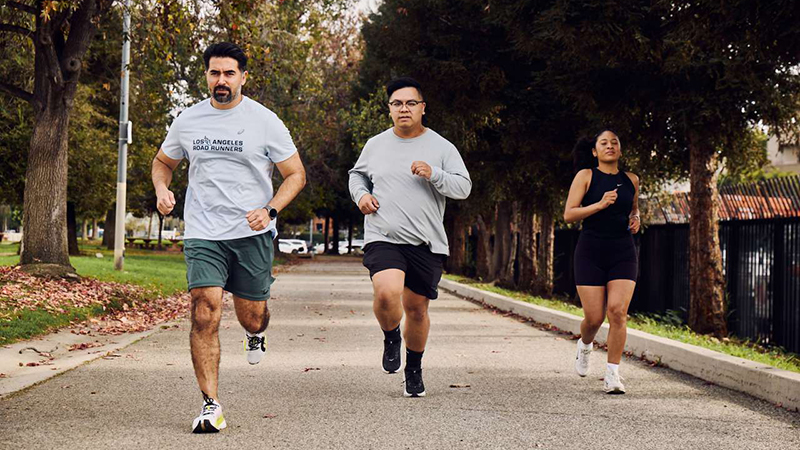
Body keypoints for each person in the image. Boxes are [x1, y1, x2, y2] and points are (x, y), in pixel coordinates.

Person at [151, 42, 306, 432]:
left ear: (243, 77)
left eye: (229, 73)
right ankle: (210, 405)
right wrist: (162, 189)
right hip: (204, 231)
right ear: (206, 75)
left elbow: (295, 175)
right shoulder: (188, 119)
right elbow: (163, 162)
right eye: (214, 73)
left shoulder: (265, 121)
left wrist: (270, 210)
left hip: (251, 233)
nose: (221, 81)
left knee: (252, 317)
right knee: (205, 309)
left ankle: (256, 336)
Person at [348, 77, 472, 397]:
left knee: (417, 310)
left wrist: (435, 174)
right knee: (387, 294)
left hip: (426, 241)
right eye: (397, 104)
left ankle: (413, 369)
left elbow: (463, 187)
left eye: (410, 103)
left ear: (422, 108)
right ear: (389, 109)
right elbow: (357, 176)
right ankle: (391, 336)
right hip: (383, 234)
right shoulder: (376, 144)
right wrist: (361, 195)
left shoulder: (442, 148)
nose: (404, 109)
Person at [563, 129, 640, 394]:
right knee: (594, 318)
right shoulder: (585, 176)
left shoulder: (632, 180)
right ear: (595, 151)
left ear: (620, 150)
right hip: (591, 250)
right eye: (604, 143)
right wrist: (599, 205)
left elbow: (633, 208)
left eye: (615, 142)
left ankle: (612, 375)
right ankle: (585, 345)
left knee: (617, 311)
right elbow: (569, 214)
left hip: (622, 250)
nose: (610, 146)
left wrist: (636, 218)